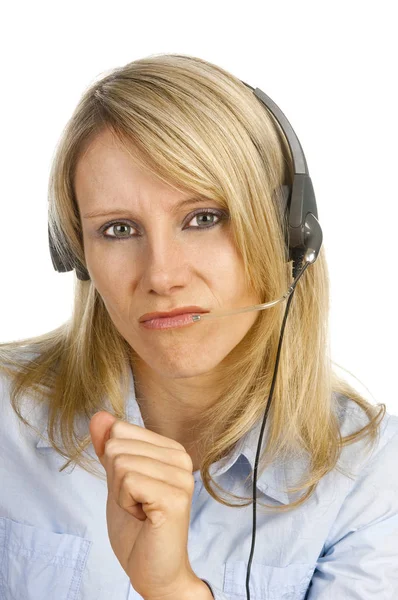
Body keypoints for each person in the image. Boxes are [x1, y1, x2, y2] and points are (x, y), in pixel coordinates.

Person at [0, 53, 397, 600]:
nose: (161, 275)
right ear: (79, 256)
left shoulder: (372, 478)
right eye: (118, 229)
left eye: (203, 218)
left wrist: (173, 589)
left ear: (286, 233)